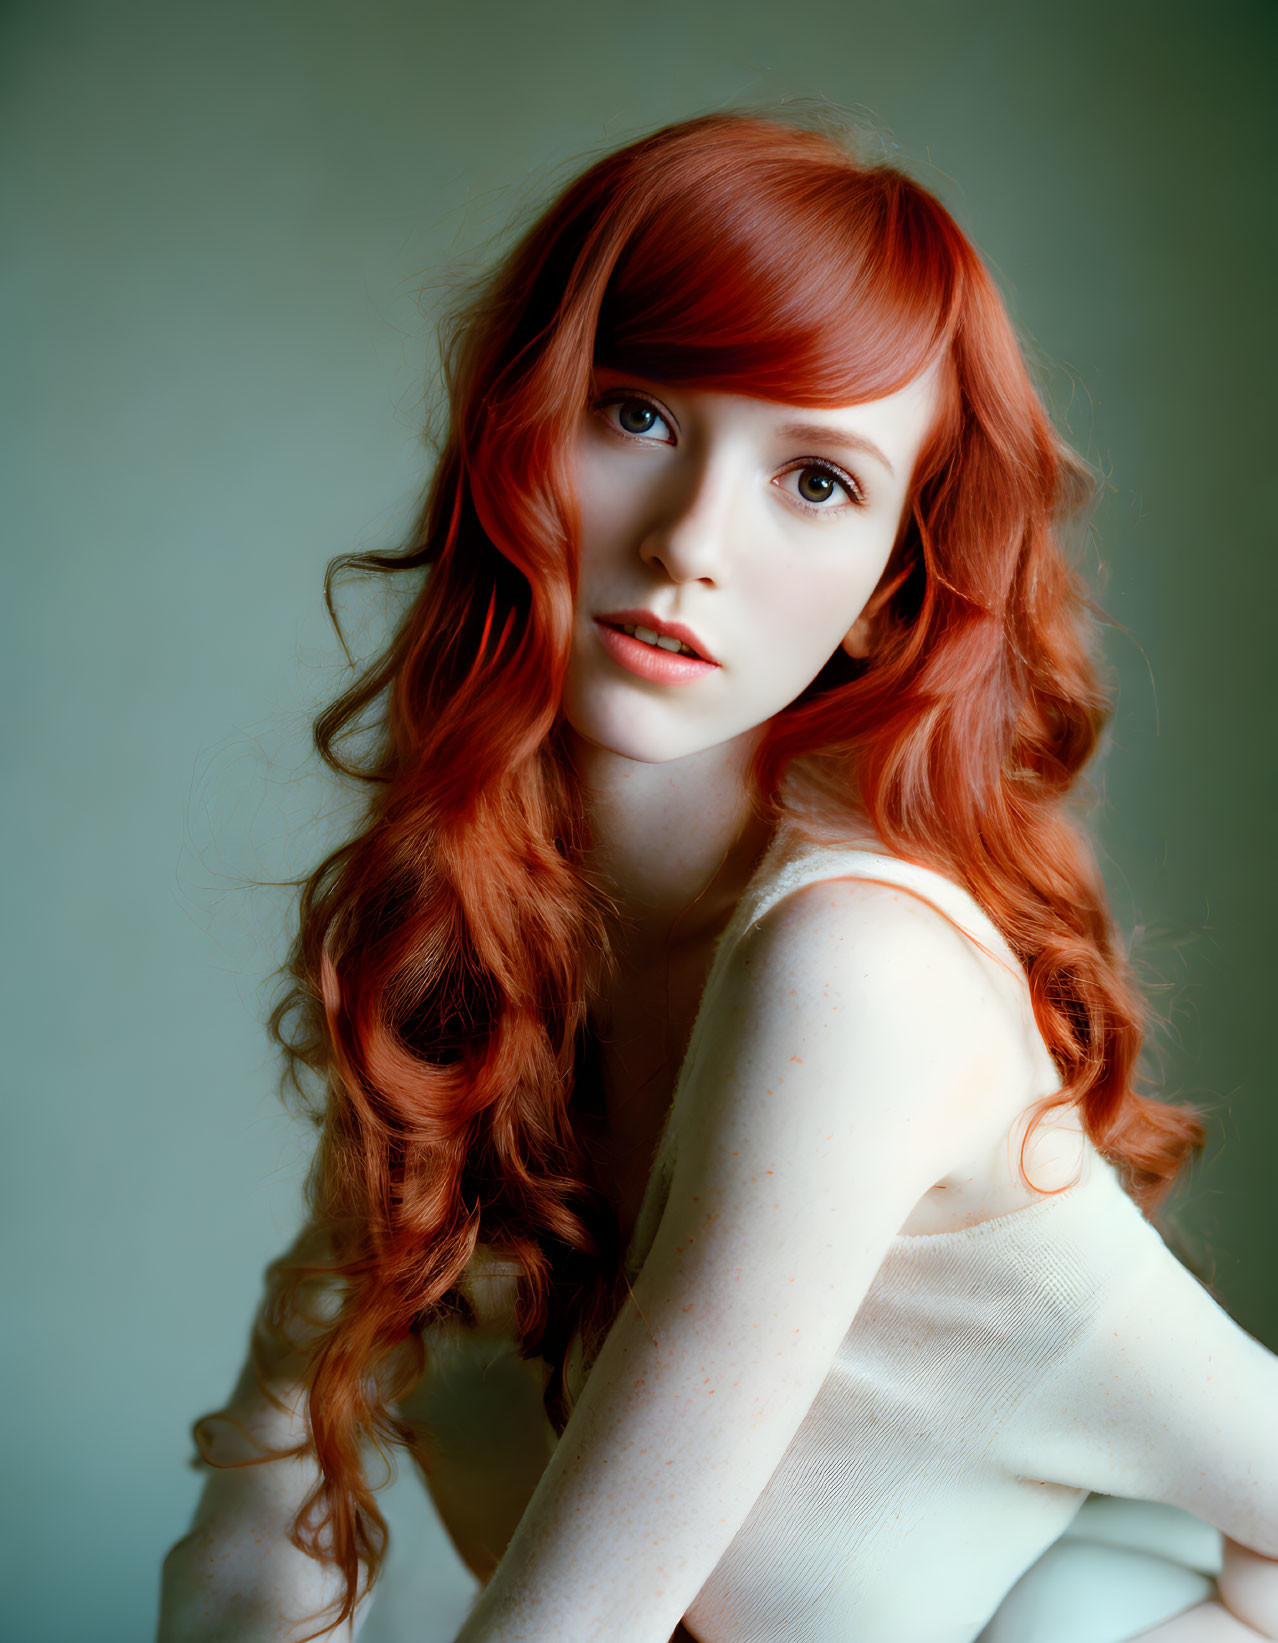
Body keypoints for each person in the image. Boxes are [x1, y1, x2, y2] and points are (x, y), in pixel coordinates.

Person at [156, 110, 1278, 1643]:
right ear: (516, 426)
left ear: (895, 577)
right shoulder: (482, 944)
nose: (690, 543)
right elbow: (250, 1537)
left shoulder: (858, 973)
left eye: (814, 480)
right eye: (637, 414)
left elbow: (575, 1619)